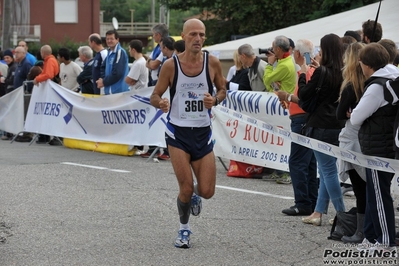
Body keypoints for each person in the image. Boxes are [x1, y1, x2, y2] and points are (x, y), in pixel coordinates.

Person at [150, 18, 226, 248]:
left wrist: (215, 99)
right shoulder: (171, 66)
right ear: (183, 37)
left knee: (207, 191)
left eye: (202, 35)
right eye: (193, 34)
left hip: (203, 134)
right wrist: (160, 103)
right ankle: (184, 228)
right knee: (185, 187)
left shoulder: (211, 62)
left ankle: (194, 195)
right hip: (178, 134)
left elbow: (223, 89)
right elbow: (154, 95)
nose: (198, 39)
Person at [351, 43, 399, 251]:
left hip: (379, 147)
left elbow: (355, 118)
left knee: (379, 196)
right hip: (385, 144)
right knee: (375, 194)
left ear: (366, 64)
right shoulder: (393, 77)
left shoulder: (377, 87)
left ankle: (385, 241)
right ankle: (371, 237)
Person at [298, 34, 346, 226]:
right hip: (337, 124)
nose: (318, 52)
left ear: (326, 50)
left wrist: (302, 74)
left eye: (320, 49)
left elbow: (303, 94)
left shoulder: (321, 72)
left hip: (320, 125)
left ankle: (341, 214)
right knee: (327, 170)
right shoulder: (343, 71)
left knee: (327, 171)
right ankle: (318, 212)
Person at [275, 39, 318, 216]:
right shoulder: (311, 70)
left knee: (298, 162)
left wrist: (289, 98)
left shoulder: (305, 71)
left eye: (295, 53)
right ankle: (311, 201)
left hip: (302, 120)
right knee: (308, 163)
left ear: (298, 54)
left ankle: (303, 202)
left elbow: (306, 100)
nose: (293, 55)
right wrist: (290, 101)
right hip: (304, 118)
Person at [336, 42, 367, 243]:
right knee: (370, 187)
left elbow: (340, 114)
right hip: (369, 137)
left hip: (355, 140)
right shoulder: (372, 82)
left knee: (360, 188)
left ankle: (362, 231)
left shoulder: (351, 85)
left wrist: (348, 111)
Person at [262, 35, 297, 184]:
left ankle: (284, 172)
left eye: (273, 48)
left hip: (285, 106)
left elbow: (267, 80)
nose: (271, 51)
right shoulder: (284, 60)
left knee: (282, 140)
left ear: (278, 49)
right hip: (281, 104)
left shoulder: (283, 64)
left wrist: (269, 64)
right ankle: (278, 170)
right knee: (277, 140)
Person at [33, 45, 60, 144]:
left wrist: (37, 79)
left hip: (51, 90)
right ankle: (46, 136)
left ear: (43, 53)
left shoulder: (49, 61)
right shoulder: (50, 60)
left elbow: (49, 74)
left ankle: (46, 136)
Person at [96, 30, 129, 95]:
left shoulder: (120, 52)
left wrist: (104, 82)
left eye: (111, 39)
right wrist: (103, 79)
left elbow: (117, 73)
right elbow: (103, 67)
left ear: (117, 40)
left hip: (118, 92)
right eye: (107, 39)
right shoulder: (109, 52)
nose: (109, 41)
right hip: (109, 91)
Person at [1, 49, 17, 140]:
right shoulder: (10, 67)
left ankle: (10, 133)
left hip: (12, 93)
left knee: (10, 113)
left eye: (7, 57)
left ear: (12, 57)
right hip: (9, 92)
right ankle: (9, 133)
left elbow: (12, 80)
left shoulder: (13, 67)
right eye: (5, 58)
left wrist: (4, 80)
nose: (6, 59)